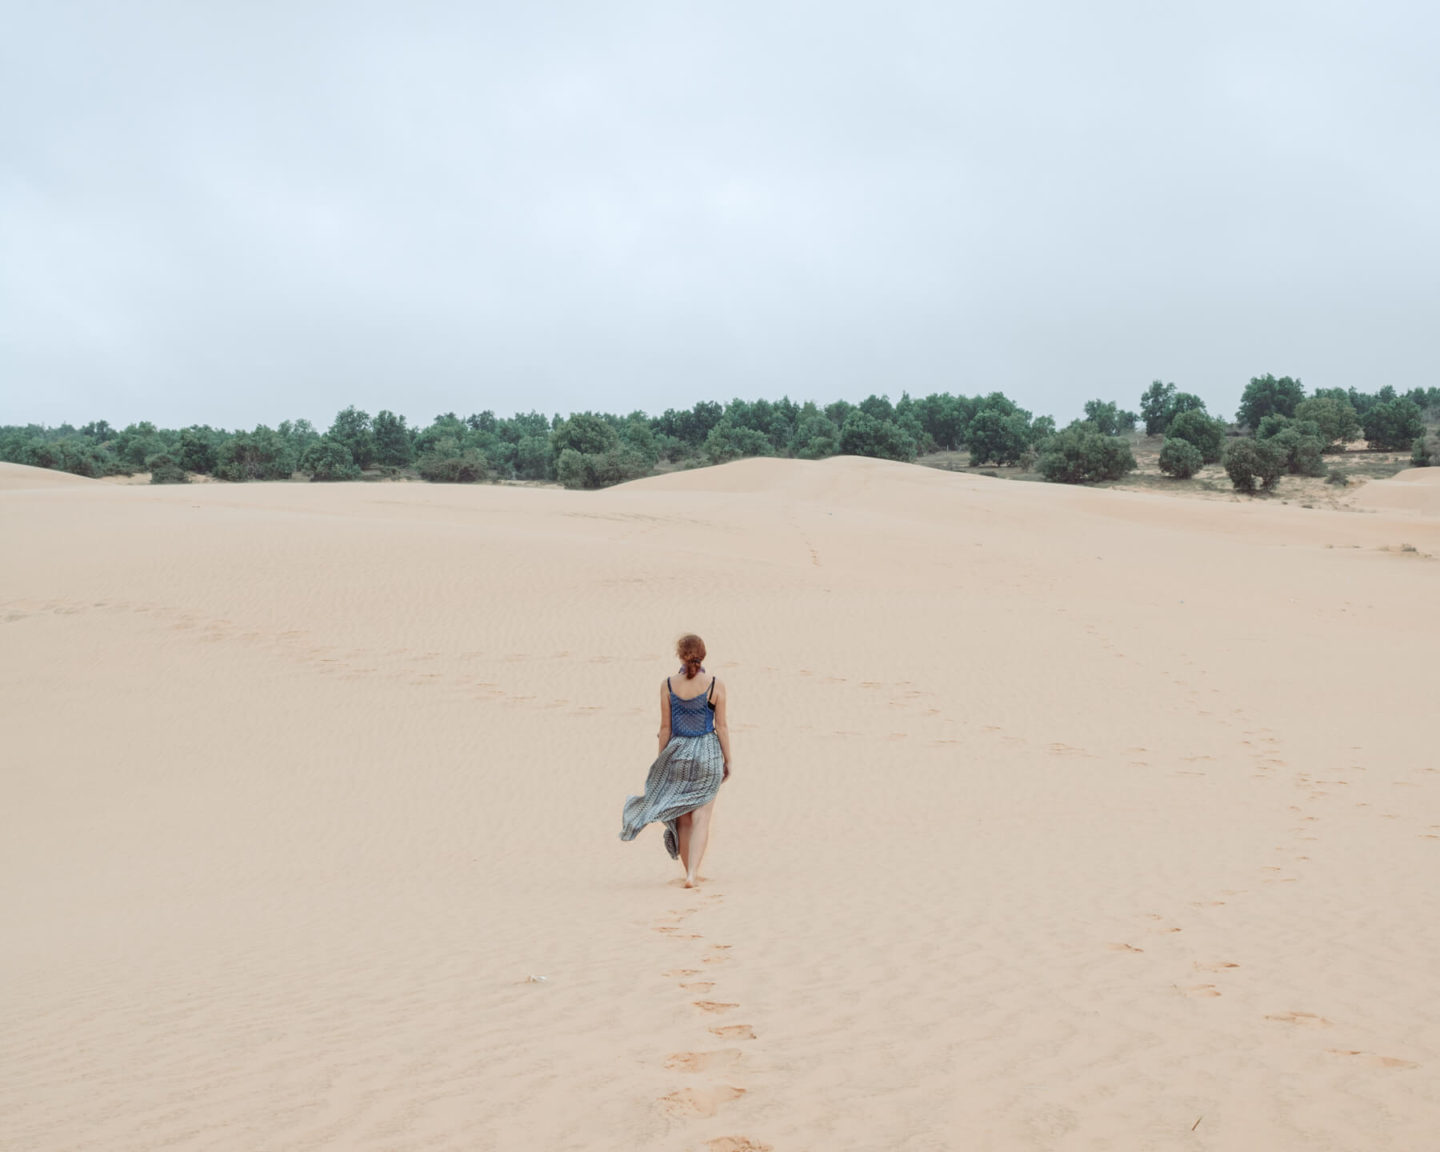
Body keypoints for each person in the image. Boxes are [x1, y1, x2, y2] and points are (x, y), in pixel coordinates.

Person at [619, 633, 731, 887]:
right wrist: (729, 760)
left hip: (678, 753)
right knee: (702, 815)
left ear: (680, 656)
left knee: (683, 816)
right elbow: (722, 726)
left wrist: (662, 761)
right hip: (708, 752)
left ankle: (687, 872)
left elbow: (665, 728)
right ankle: (692, 873)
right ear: (703, 655)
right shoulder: (716, 685)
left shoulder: (668, 685)